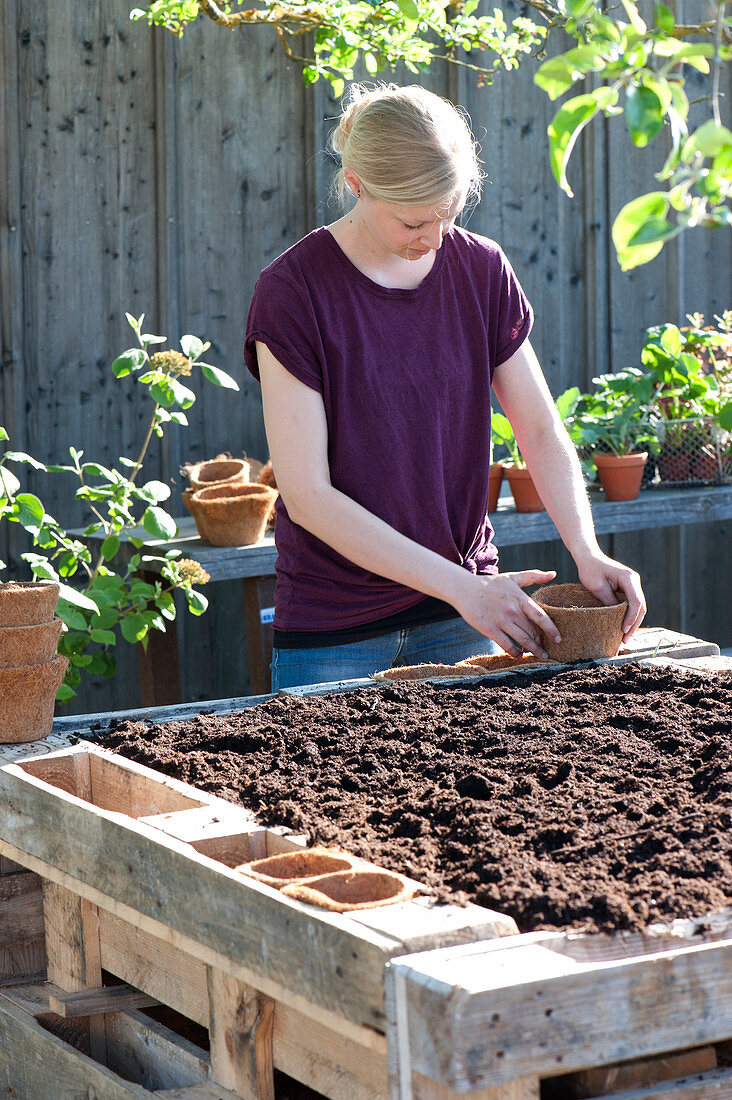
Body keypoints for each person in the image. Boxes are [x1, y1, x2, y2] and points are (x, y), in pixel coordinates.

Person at [244, 83, 646, 690]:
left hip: (466, 617)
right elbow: (307, 497)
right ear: (356, 185)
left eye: (449, 215)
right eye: (413, 221)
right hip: (337, 636)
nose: (434, 239)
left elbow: (538, 427)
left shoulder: (481, 269)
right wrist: (467, 590)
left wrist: (587, 552)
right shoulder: (294, 293)